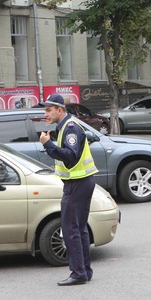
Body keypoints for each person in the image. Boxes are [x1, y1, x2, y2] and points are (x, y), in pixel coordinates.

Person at [38, 93, 98, 286]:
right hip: (80, 182)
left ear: (60, 110)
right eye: (45, 110)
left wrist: (48, 145)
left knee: (70, 229)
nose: (46, 113)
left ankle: (78, 272)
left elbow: (70, 158)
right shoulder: (65, 126)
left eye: (49, 110)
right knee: (79, 229)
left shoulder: (70, 128)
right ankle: (84, 271)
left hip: (77, 183)